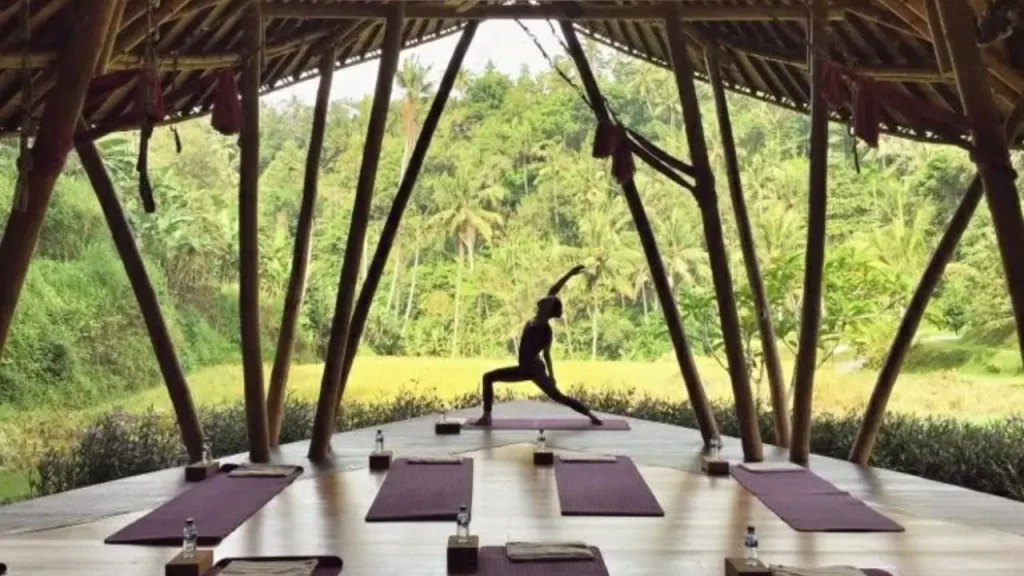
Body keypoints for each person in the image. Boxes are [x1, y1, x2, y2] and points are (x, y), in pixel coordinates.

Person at [473, 265, 603, 425]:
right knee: (488, 377)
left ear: (548, 310)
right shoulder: (536, 320)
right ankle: (487, 416)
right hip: (525, 368)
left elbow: (547, 355)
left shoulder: (543, 326)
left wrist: (551, 376)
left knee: (559, 397)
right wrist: (570, 273)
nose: (543, 300)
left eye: (548, 302)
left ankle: (590, 415)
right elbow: (554, 289)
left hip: (534, 370)